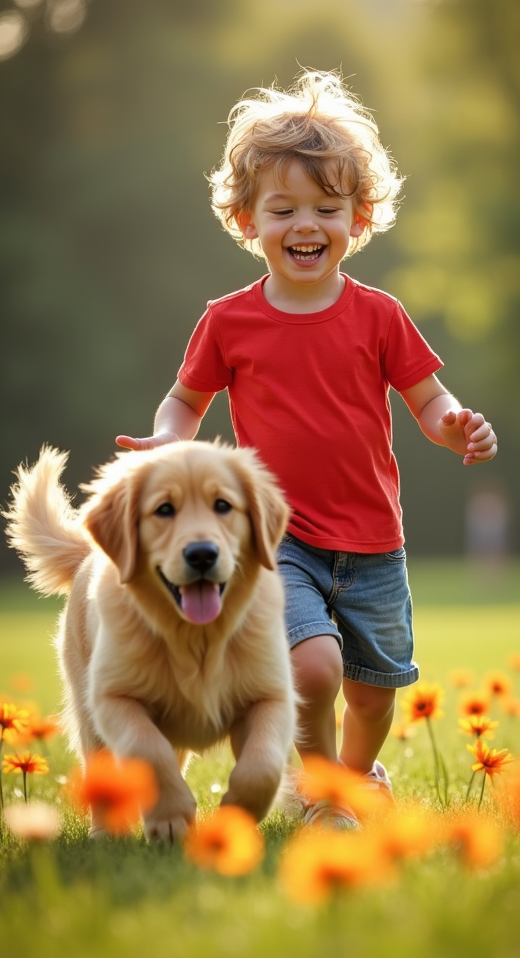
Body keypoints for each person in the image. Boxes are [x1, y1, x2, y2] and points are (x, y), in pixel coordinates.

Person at [116, 71, 498, 828]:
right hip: (278, 539)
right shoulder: (228, 321)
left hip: (374, 541)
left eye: (327, 208)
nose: (306, 224)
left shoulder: (379, 315)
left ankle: (353, 777)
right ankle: (325, 794)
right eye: (283, 208)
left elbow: (428, 400)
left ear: (357, 220)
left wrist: (456, 422)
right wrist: (166, 439)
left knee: (373, 691)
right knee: (313, 667)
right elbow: (184, 400)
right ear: (246, 218)